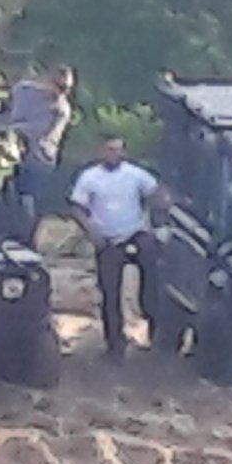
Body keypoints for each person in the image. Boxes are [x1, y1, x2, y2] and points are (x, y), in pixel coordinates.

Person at [67, 134, 162, 356]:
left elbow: (156, 193)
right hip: (107, 239)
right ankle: (115, 344)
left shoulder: (136, 174)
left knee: (153, 280)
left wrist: (160, 218)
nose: (114, 154)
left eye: (118, 149)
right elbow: (77, 207)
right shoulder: (89, 177)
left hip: (136, 233)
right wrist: (92, 232)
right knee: (110, 291)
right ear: (101, 151)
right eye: (110, 149)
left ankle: (155, 332)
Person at [3, 62, 73, 210]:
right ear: (47, 81)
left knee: (28, 200)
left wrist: (12, 128)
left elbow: (39, 130)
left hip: (39, 159)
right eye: (59, 86)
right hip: (10, 150)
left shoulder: (61, 110)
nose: (62, 92)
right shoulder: (23, 90)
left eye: (67, 89)